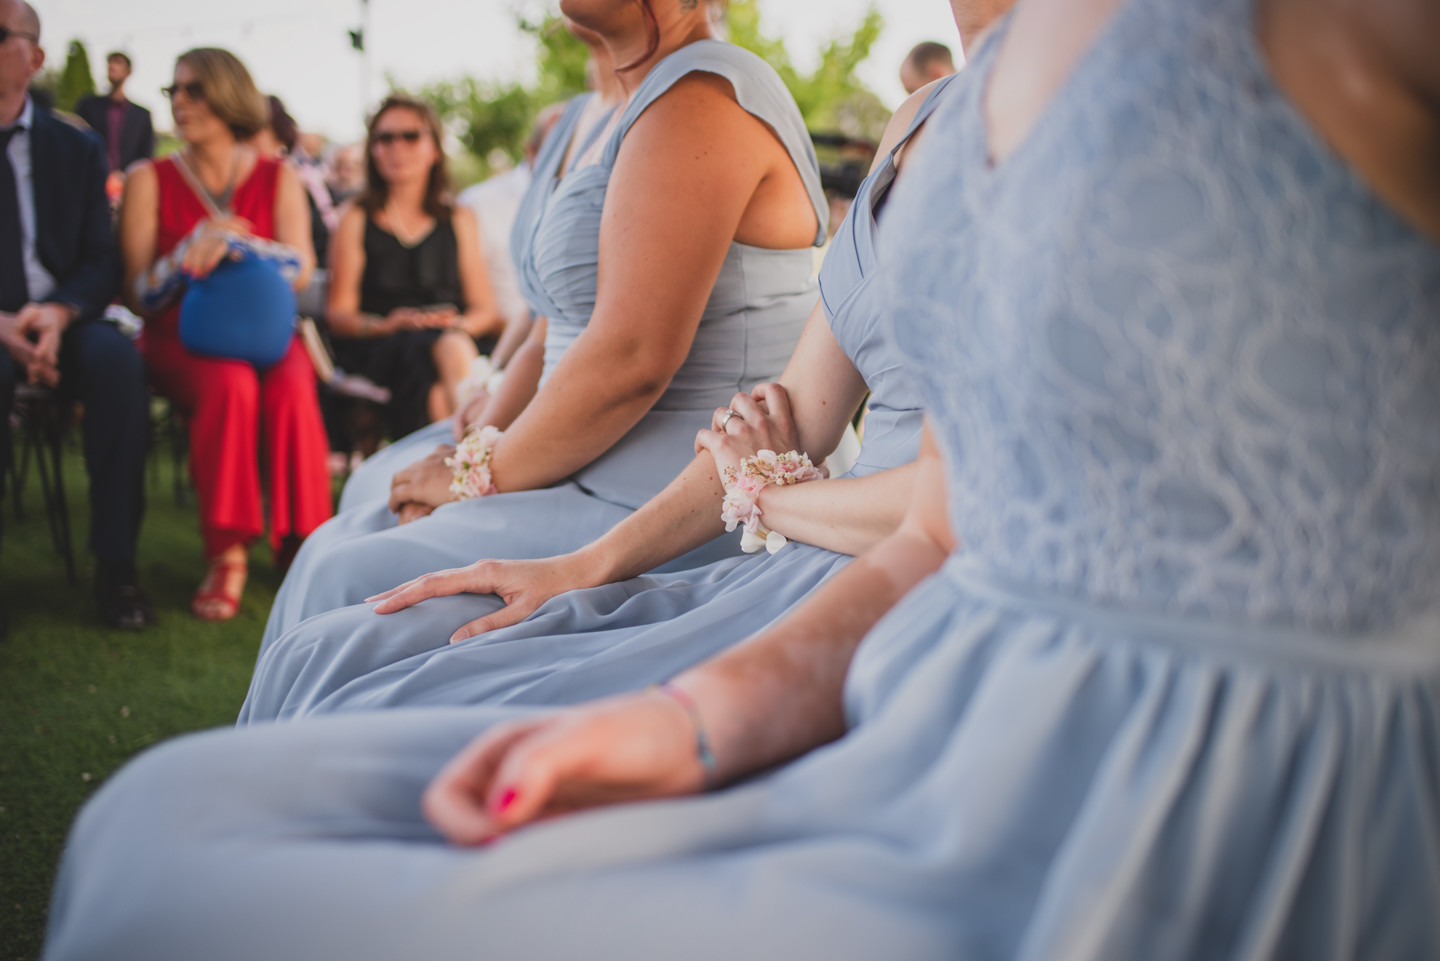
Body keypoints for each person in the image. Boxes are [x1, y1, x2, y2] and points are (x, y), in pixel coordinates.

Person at [41, 0, 1440, 956]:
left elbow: (664, 377)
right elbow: (954, 521)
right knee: (167, 825)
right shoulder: (959, 101)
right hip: (920, 697)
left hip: (1236, 800)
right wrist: (694, 721)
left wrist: (764, 503)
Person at [238, 65, 960, 723]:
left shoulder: (705, 101)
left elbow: (634, 360)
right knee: (325, 646)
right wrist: (580, 565)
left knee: (358, 623)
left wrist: (766, 495)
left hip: (824, 545)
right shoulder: (918, 115)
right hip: (747, 517)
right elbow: (795, 408)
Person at [258, 0, 828, 649]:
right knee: (365, 505)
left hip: (675, 501)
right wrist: (488, 429)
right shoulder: (590, 116)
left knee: (343, 575)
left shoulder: (704, 97)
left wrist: (478, 474)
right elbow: (548, 325)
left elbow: (632, 358)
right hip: (579, 458)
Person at [118, 47, 331, 621]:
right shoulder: (149, 177)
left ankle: (301, 540)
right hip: (180, 338)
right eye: (174, 91)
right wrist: (189, 250)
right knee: (230, 384)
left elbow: (302, 269)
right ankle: (228, 551)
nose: (180, 102)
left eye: (194, 90)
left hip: (263, 332)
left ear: (227, 94)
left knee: (292, 378)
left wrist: (236, 244)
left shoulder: (276, 175)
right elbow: (137, 293)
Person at [0, 0, 152, 629]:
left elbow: (102, 258)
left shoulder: (76, 146)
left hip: (64, 314)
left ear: (33, 58)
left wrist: (60, 314)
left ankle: (116, 568)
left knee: (118, 364)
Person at [323, 94, 502, 440]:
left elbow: (485, 309)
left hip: (452, 341)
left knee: (440, 387)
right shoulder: (355, 217)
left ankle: (457, 473)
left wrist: (454, 325)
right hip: (385, 344)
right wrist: (387, 324)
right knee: (442, 358)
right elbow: (339, 314)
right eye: (384, 138)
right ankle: (480, 468)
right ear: (372, 151)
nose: (397, 147)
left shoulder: (459, 218)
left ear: (434, 149)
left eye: (411, 136)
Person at [455, 105, 563, 368]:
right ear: (531, 151)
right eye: (556, 149)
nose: (566, 157)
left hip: (559, 344)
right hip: (496, 342)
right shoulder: (479, 203)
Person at [74, 51, 153, 176]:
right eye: (110, 62)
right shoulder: (88, 106)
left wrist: (125, 177)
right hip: (92, 179)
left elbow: (146, 156)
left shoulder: (142, 115)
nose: (112, 66)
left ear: (128, 71)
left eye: (118, 62)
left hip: (127, 184)